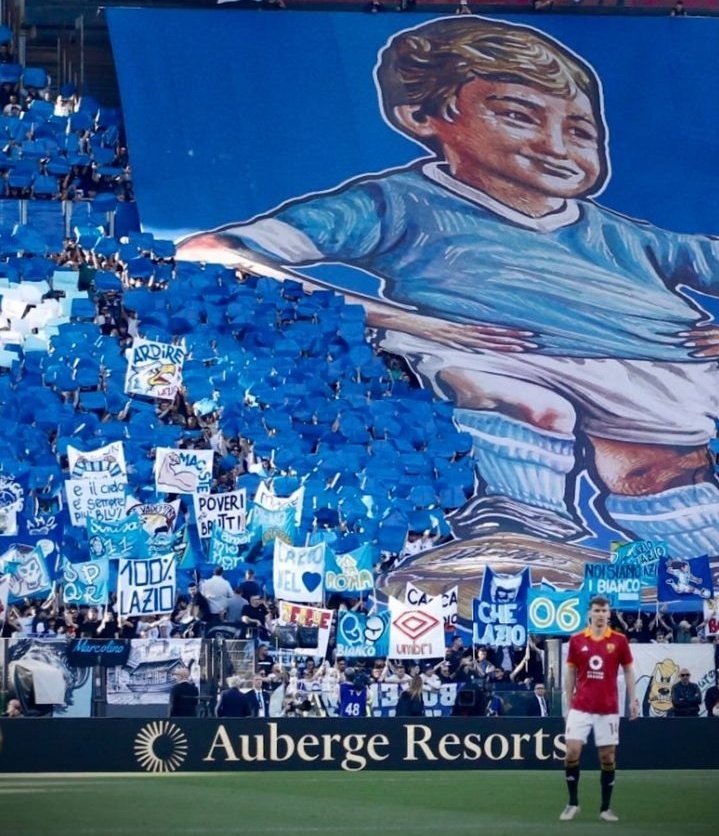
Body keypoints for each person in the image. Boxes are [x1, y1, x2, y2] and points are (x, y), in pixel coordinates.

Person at [176, 16, 719, 559]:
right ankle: (522, 535)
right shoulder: (394, 204)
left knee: (654, 473)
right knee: (524, 402)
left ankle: (696, 576)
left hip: (663, 366)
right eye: (517, 115)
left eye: (580, 131)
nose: (556, 146)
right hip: (505, 360)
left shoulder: (629, 237)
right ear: (422, 115)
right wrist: (404, 321)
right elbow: (208, 251)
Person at [561, 595, 638, 823]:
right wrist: (568, 704)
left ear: (609, 614)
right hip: (581, 706)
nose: (601, 614)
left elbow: (629, 671)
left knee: (607, 756)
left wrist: (633, 700)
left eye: (605, 611)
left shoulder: (619, 640)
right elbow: (570, 673)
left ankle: (605, 808)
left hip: (608, 707)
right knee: (572, 751)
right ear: (590, 613)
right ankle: (573, 803)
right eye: (597, 610)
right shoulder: (576, 640)